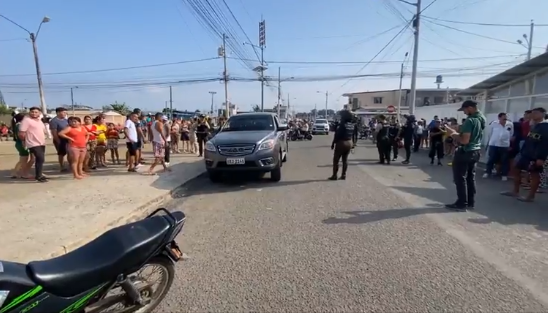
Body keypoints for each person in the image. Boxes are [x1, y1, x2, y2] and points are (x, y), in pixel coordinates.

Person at [444, 100, 486, 211]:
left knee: (460, 178)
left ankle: (461, 203)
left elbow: (464, 140)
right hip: (476, 151)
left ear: (470, 108)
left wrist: (452, 133)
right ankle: (470, 202)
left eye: (465, 110)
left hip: (465, 151)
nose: (464, 112)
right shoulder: (481, 118)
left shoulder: (470, 120)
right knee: (470, 178)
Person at [501, 107, 548, 202]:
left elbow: (545, 143)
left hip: (536, 155)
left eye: (536, 113)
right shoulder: (534, 125)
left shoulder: (545, 126)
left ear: (543, 114)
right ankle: (515, 191)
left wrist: (541, 157)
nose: (533, 115)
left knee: (534, 174)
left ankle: (530, 197)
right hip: (526, 153)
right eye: (532, 113)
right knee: (516, 169)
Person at [19, 107, 48, 182]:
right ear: (29, 112)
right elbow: (22, 133)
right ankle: (38, 176)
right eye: (32, 112)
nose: (34, 113)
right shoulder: (26, 120)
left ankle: (39, 174)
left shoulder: (39, 121)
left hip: (41, 142)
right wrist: (23, 141)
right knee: (40, 158)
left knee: (37, 159)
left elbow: (43, 130)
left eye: (36, 112)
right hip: (33, 143)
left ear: (39, 113)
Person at [484, 112, 513, 181]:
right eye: (503, 119)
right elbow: (490, 133)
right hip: (494, 144)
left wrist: (507, 141)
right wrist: (491, 141)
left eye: (505, 119)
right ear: (499, 118)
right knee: (491, 159)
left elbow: (511, 134)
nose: (505, 120)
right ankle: (488, 172)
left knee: (504, 160)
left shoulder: (510, 124)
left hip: (504, 145)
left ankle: (504, 174)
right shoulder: (494, 124)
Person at [329, 110, 356, 180]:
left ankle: (334, 175)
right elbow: (354, 136)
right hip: (349, 142)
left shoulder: (342, 125)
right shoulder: (352, 125)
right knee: (345, 160)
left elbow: (337, 135)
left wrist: (333, 143)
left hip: (341, 143)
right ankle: (343, 175)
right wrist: (353, 144)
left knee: (336, 160)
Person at [11, 113, 34, 179]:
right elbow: (21, 136)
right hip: (22, 143)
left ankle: (15, 173)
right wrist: (24, 142)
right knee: (24, 160)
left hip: (19, 143)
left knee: (22, 160)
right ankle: (23, 173)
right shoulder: (20, 125)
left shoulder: (17, 125)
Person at [49, 107, 70, 172]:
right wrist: (58, 141)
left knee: (69, 152)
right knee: (61, 153)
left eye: (65, 112)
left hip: (67, 139)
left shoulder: (65, 120)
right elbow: (54, 132)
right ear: (58, 112)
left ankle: (70, 164)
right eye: (63, 112)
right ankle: (62, 166)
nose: (65, 113)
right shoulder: (54, 121)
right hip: (60, 139)